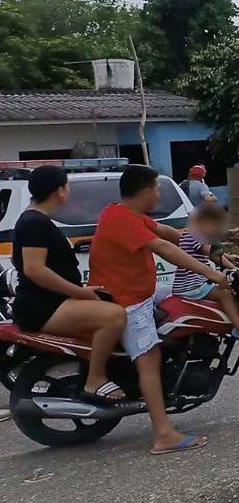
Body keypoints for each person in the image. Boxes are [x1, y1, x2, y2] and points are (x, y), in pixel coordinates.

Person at [88, 164, 215, 455]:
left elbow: (169, 233)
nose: (159, 193)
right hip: (127, 300)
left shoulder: (126, 214)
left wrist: (210, 250)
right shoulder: (121, 219)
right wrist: (209, 273)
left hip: (142, 292)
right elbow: (164, 248)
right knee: (149, 358)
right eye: (157, 188)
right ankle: (163, 434)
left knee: (184, 299)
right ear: (145, 191)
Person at [11, 165, 128, 405]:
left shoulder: (36, 219)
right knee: (114, 317)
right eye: (67, 186)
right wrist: (80, 292)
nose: (69, 191)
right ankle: (94, 380)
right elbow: (35, 269)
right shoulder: (35, 222)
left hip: (52, 301)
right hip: (42, 306)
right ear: (59, 191)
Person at [172, 204, 239, 342]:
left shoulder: (188, 234)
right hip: (192, 284)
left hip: (185, 284)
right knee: (224, 293)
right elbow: (212, 254)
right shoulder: (199, 236)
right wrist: (234, 269)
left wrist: (228, 257)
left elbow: (212, 253)